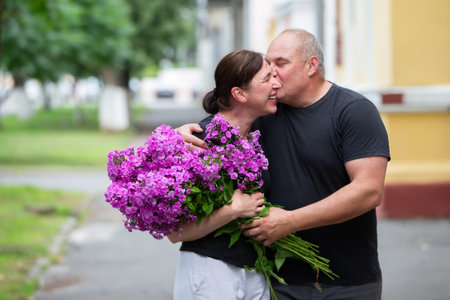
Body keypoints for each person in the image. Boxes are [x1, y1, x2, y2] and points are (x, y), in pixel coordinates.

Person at [177, 29, 390, 300]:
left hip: (347, 280)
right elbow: (224, 121)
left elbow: (369, 191)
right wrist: (177, 136)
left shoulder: (353, 111)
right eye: (269, 64)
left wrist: (289, 221)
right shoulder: (263, 112)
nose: (272, 72)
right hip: (277, 281)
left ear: (312, 65)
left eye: (281, 63)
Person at [168, 49, 281, 300]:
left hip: (254, 273)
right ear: (239, 93)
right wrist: (233, 210)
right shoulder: (198, 142)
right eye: (266, 79)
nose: (276, 84)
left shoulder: (253, 139)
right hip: (210, 273)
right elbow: (176, 233)